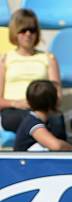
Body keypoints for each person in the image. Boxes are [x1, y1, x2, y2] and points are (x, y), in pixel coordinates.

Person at [0, 8, 65, 138]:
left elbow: (57, 95)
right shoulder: (5, 59)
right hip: (14, 110)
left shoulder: (48, 58)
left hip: (43, 108)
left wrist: (40, 105)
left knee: (56, 120)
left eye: (32, 30)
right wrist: (16, 103)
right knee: (30, 120)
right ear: (15, 32)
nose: (28, 34)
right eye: (23, 30)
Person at [13, 80, 72, 151]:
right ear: (52, 101)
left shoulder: (48, 121)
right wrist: (70, 147)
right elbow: (56, 146)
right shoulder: (32, 122)